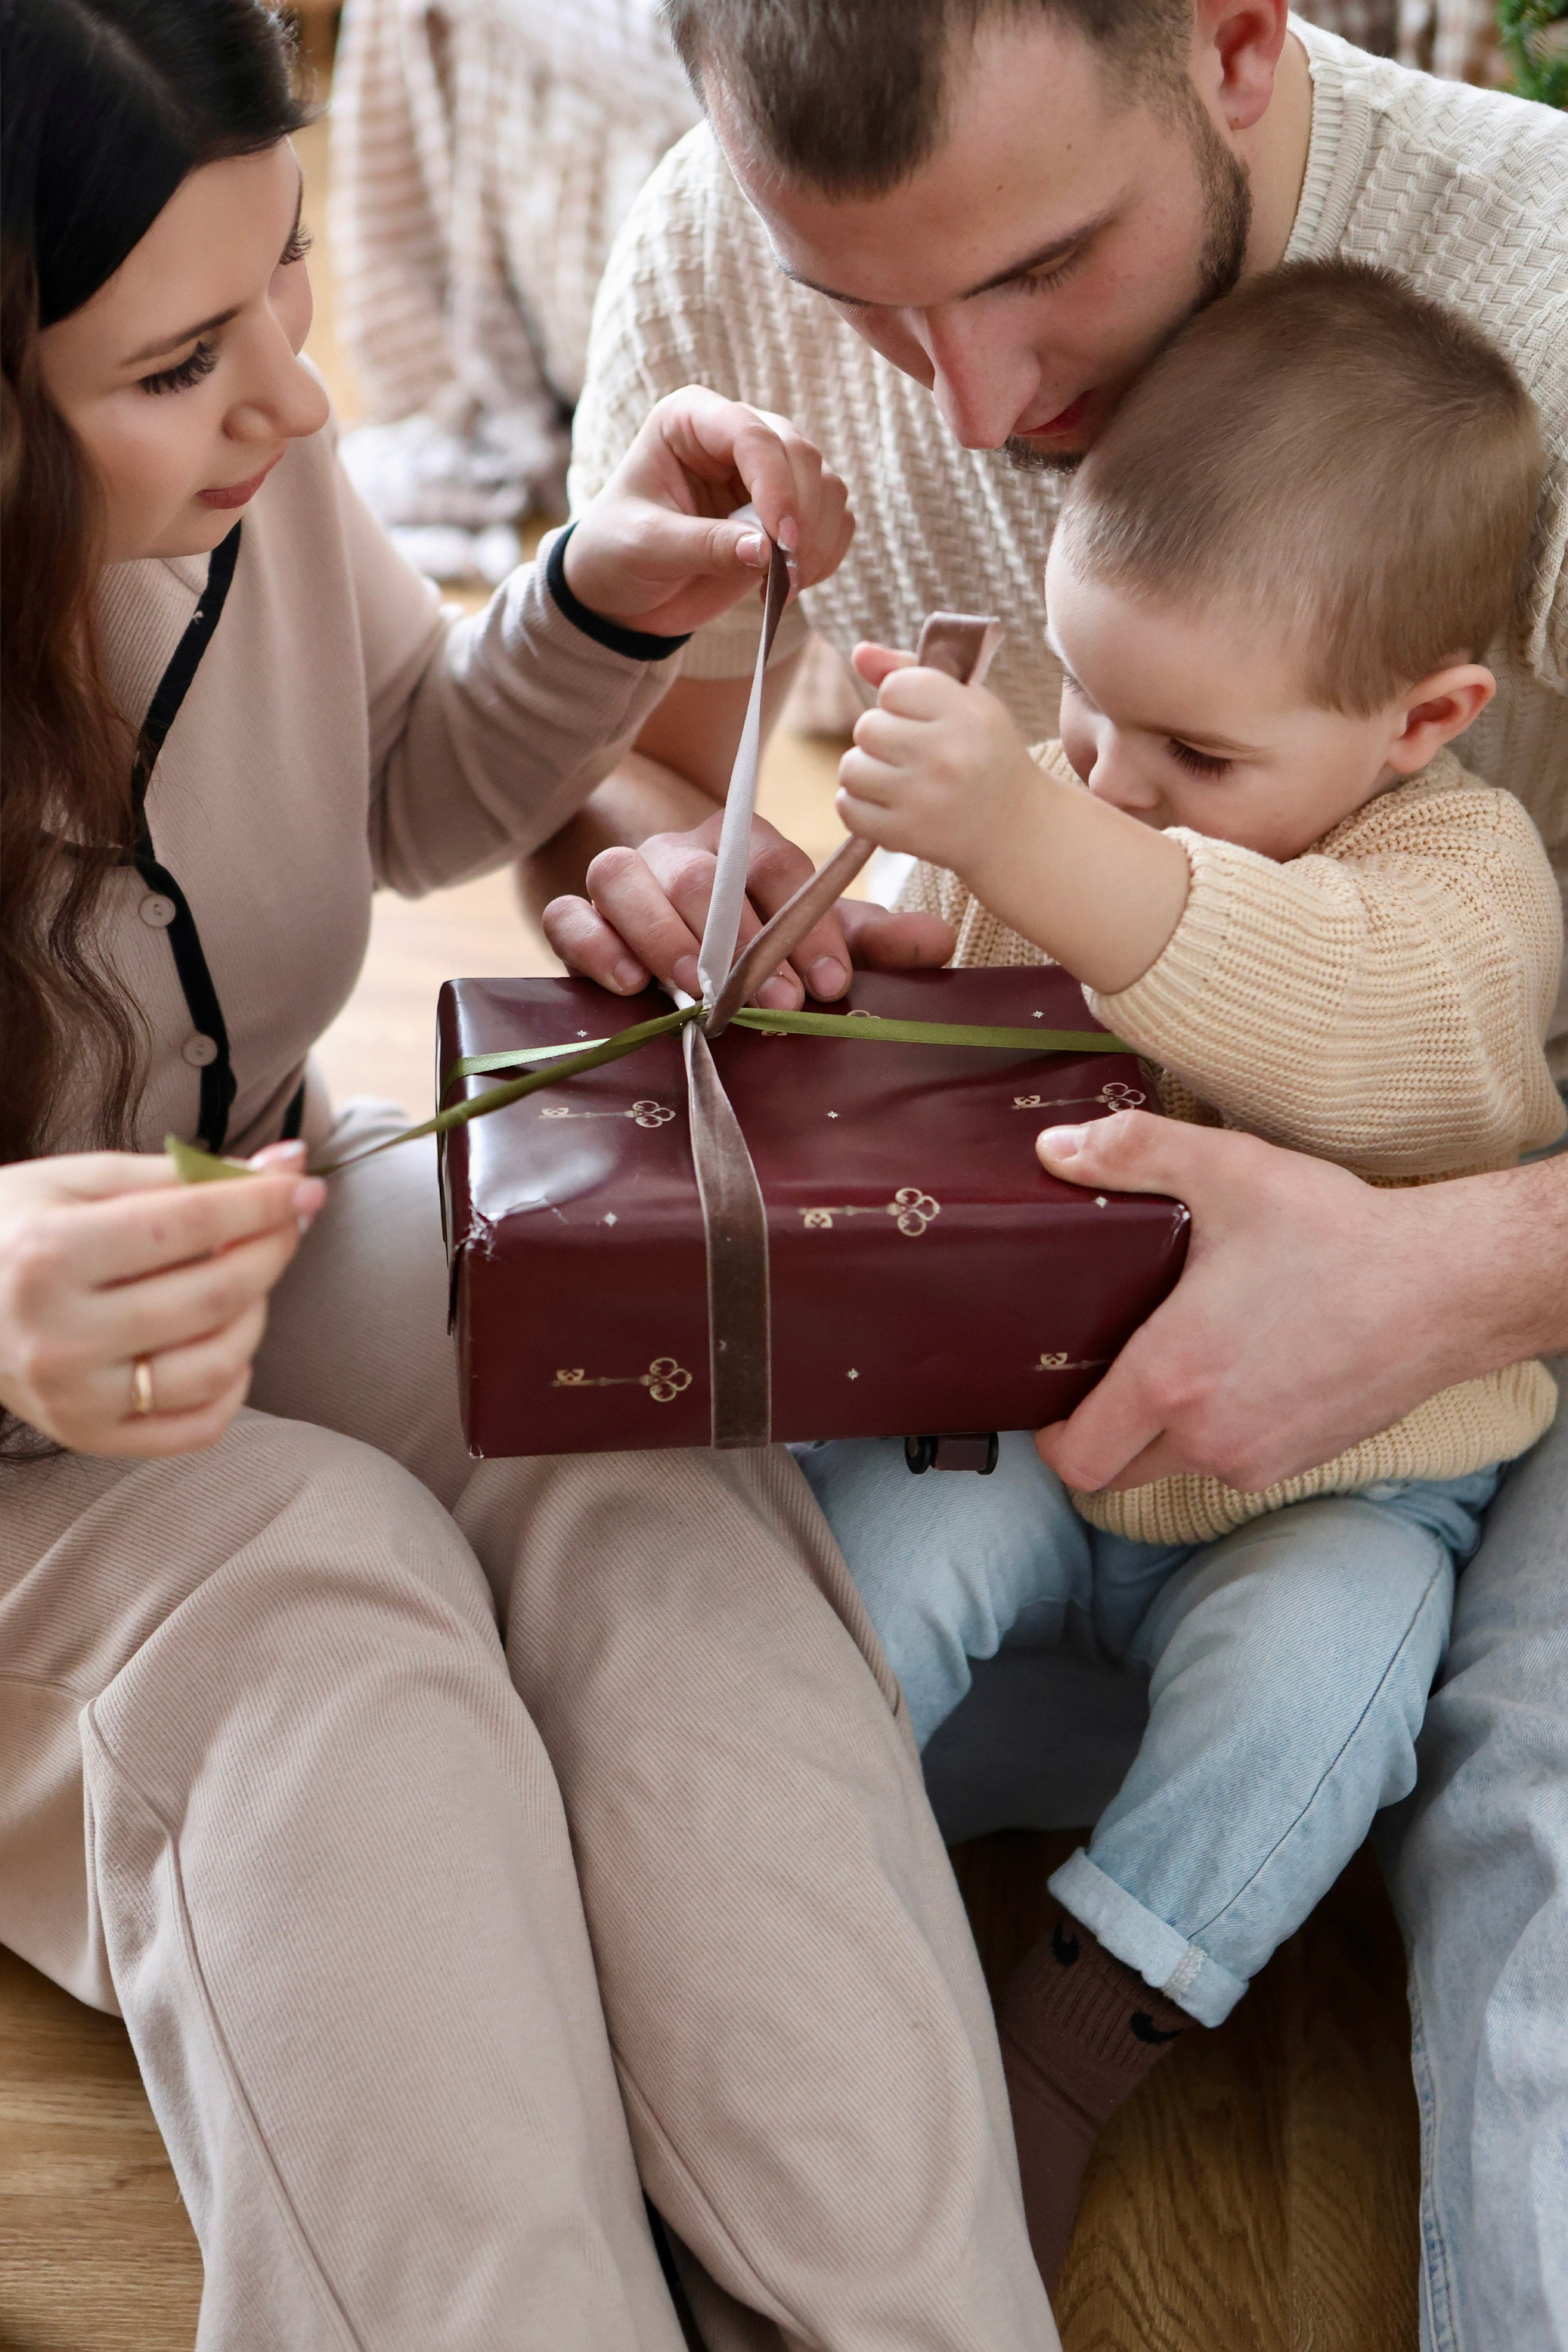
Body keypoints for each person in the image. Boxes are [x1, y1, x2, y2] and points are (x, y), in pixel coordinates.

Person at [0, 4, 1058, 2345]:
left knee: (613, 1427)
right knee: (311, 1604)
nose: (301, 398)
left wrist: (601, 597)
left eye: (288, 283)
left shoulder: (250, 474)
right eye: (186, 360)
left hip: (264, 1211)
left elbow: (403, 784)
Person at [535, 1, 1568, 2339]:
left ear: (1230, 41)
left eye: (1040, 271)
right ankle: (728, 2073)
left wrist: (1446, 1278)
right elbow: (629, 783)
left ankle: (1063, 2051)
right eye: (865, 318)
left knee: (1492, 1774)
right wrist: (749, 905)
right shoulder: (718, 239)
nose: (966, 410)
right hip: (1019, 1394)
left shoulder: (1530, 363)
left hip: (1462, 1378)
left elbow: (1342, 995)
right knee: (703, 1600)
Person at [794, 257, 1563, 2282]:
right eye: (1085, 711)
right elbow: (975, 982)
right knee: (826, 1599)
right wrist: (875, 949)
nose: (1115, 783)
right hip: (1030, 1433)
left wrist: (1038, 842)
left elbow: (1348, 1020)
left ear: (1426, 721)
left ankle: (1067, 2047)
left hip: (1345, 1485)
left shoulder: (1464, 881)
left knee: (1321, 1697)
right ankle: (764, 1943)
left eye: (1194, 758)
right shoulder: (1097, 793)